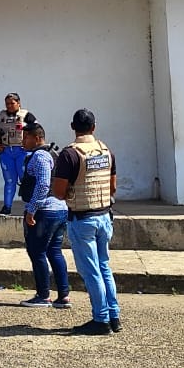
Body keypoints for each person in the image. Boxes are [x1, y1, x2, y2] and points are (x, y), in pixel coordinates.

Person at [52, 109, 120, 335]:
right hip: (104, 215)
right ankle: (113, 315)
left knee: (91, 271)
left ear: (73, 127)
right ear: (94, 127)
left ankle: (100, 320)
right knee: (104, 267)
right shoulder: (105, 150)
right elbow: (113, 187)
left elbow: (59, 192)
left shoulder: (69, 154)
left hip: (83, 219)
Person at [20, 121, 71, 309]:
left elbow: (42, 185)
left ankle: (43, 295)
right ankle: (63, 295)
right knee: (54, 251)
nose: (23, 141)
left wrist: (32, 209)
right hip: (59, 209)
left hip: (46, 211)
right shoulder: (52, 154)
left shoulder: (40, 156)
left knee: (37, 251)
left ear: (38, 138)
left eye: (26, 138)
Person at [0, 93, 35, 216]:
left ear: (18, 103)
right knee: (9, 180)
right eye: (7, 103)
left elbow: (37, 130)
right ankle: (7, 207)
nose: (9, 106)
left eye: (12, 103)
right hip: (6, 152)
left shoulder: (27, 115)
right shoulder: (1, 116)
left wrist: (32, 146)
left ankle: (31, 207)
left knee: (25, 179)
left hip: (22, 152)